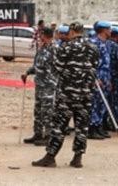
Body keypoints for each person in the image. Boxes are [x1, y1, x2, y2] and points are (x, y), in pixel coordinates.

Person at [32, 22, 99, 168]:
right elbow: (94, 67)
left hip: (67, 94)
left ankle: (50, 157)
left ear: (72, 31)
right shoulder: (93, 48)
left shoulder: (66, 47)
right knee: (82, 127)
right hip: (86, 93)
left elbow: (57, 67)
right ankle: (77, 158)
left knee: (59, 126)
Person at [22, 28, 57, 146]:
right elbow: (36, 65)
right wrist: (27, 72)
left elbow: (58, 67)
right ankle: (37, 133)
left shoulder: (54, 49)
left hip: (49, 85)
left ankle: (48, 136)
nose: (38, 37)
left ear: (45, 35)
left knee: (47, 111)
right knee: (38, 110)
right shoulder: (41, 48)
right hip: (40, 85)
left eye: (40, 35)